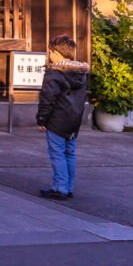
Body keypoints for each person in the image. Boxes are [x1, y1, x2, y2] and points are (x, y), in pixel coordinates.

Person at [36, 34, 90, 201]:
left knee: (57, 154)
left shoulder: (54, 73)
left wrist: (42, 120)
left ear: (57, 53)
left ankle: (60, 188)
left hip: (57, 120)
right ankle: (68, 187)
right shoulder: (81, 73)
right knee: (70, 154)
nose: (49, 55)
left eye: (50, 51)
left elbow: (47, 99)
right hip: (74, 120)